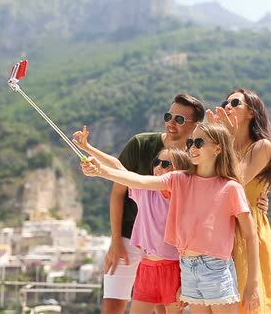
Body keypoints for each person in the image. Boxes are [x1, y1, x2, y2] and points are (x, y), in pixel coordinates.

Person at [81, 123, 261, 314]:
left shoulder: (231, 188)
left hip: (215, 268)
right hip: (187, 268)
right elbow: (139, 180)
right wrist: (101, 171)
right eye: (191, 142)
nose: (192, 147)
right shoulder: (179, 180)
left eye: (199, 142)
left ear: (218, 148)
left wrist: (253, 284)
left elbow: (251, 237)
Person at [100, 94, 205, 314]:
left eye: (180, 119)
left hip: (169, 251)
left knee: (163, 308)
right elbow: (119, 188)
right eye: (169, 116)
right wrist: (115, 240)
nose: (171, 123)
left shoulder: (196, 156)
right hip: (130, 236)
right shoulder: (141, 144)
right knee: (112, 304)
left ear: (195, 126)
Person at [73, 126, 192, 314]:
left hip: (173, 268)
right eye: (157, 162)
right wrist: (88, 148)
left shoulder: (181, 193)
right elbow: (120, 168)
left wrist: (99, 171)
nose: (159, 167)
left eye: (166, 164)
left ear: (180, 172)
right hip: (146, 267)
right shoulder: (144, 192)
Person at [207, 88, 271, 314]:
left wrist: (225, 140)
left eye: (235, 103)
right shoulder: (221, 148)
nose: (228, 106)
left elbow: (235, 183)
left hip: (249, 232)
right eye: (225, 102)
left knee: (248, 303)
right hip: (220, 230)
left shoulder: (262, 146)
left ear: (251, 112)